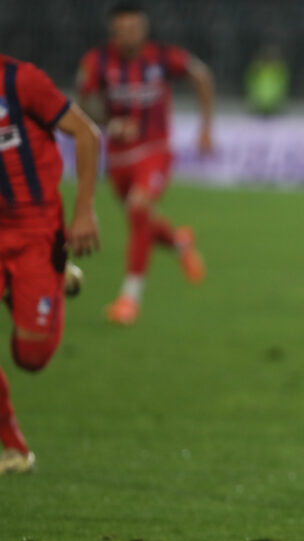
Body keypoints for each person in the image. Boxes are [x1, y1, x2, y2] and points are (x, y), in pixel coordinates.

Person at [77, 1, 213, 325]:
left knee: (138, 211)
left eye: (134, 28)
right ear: (113, 31)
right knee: (142, 221)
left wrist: (206, 127)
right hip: (117, 158)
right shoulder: (96, 61)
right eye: (122, 29)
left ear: (144, 28)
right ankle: (180, 243)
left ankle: (129, 299)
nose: (129, 35)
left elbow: (201, 74)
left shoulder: (162, 56)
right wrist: (109, 122)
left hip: (155, 150)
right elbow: (85, 103)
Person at [0, 54, 101, 474]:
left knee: (31, 356)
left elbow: (86, 133)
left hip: (35, 231)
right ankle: (14, 448)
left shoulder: (19, 80)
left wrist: (83, 211)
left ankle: (52, 282)